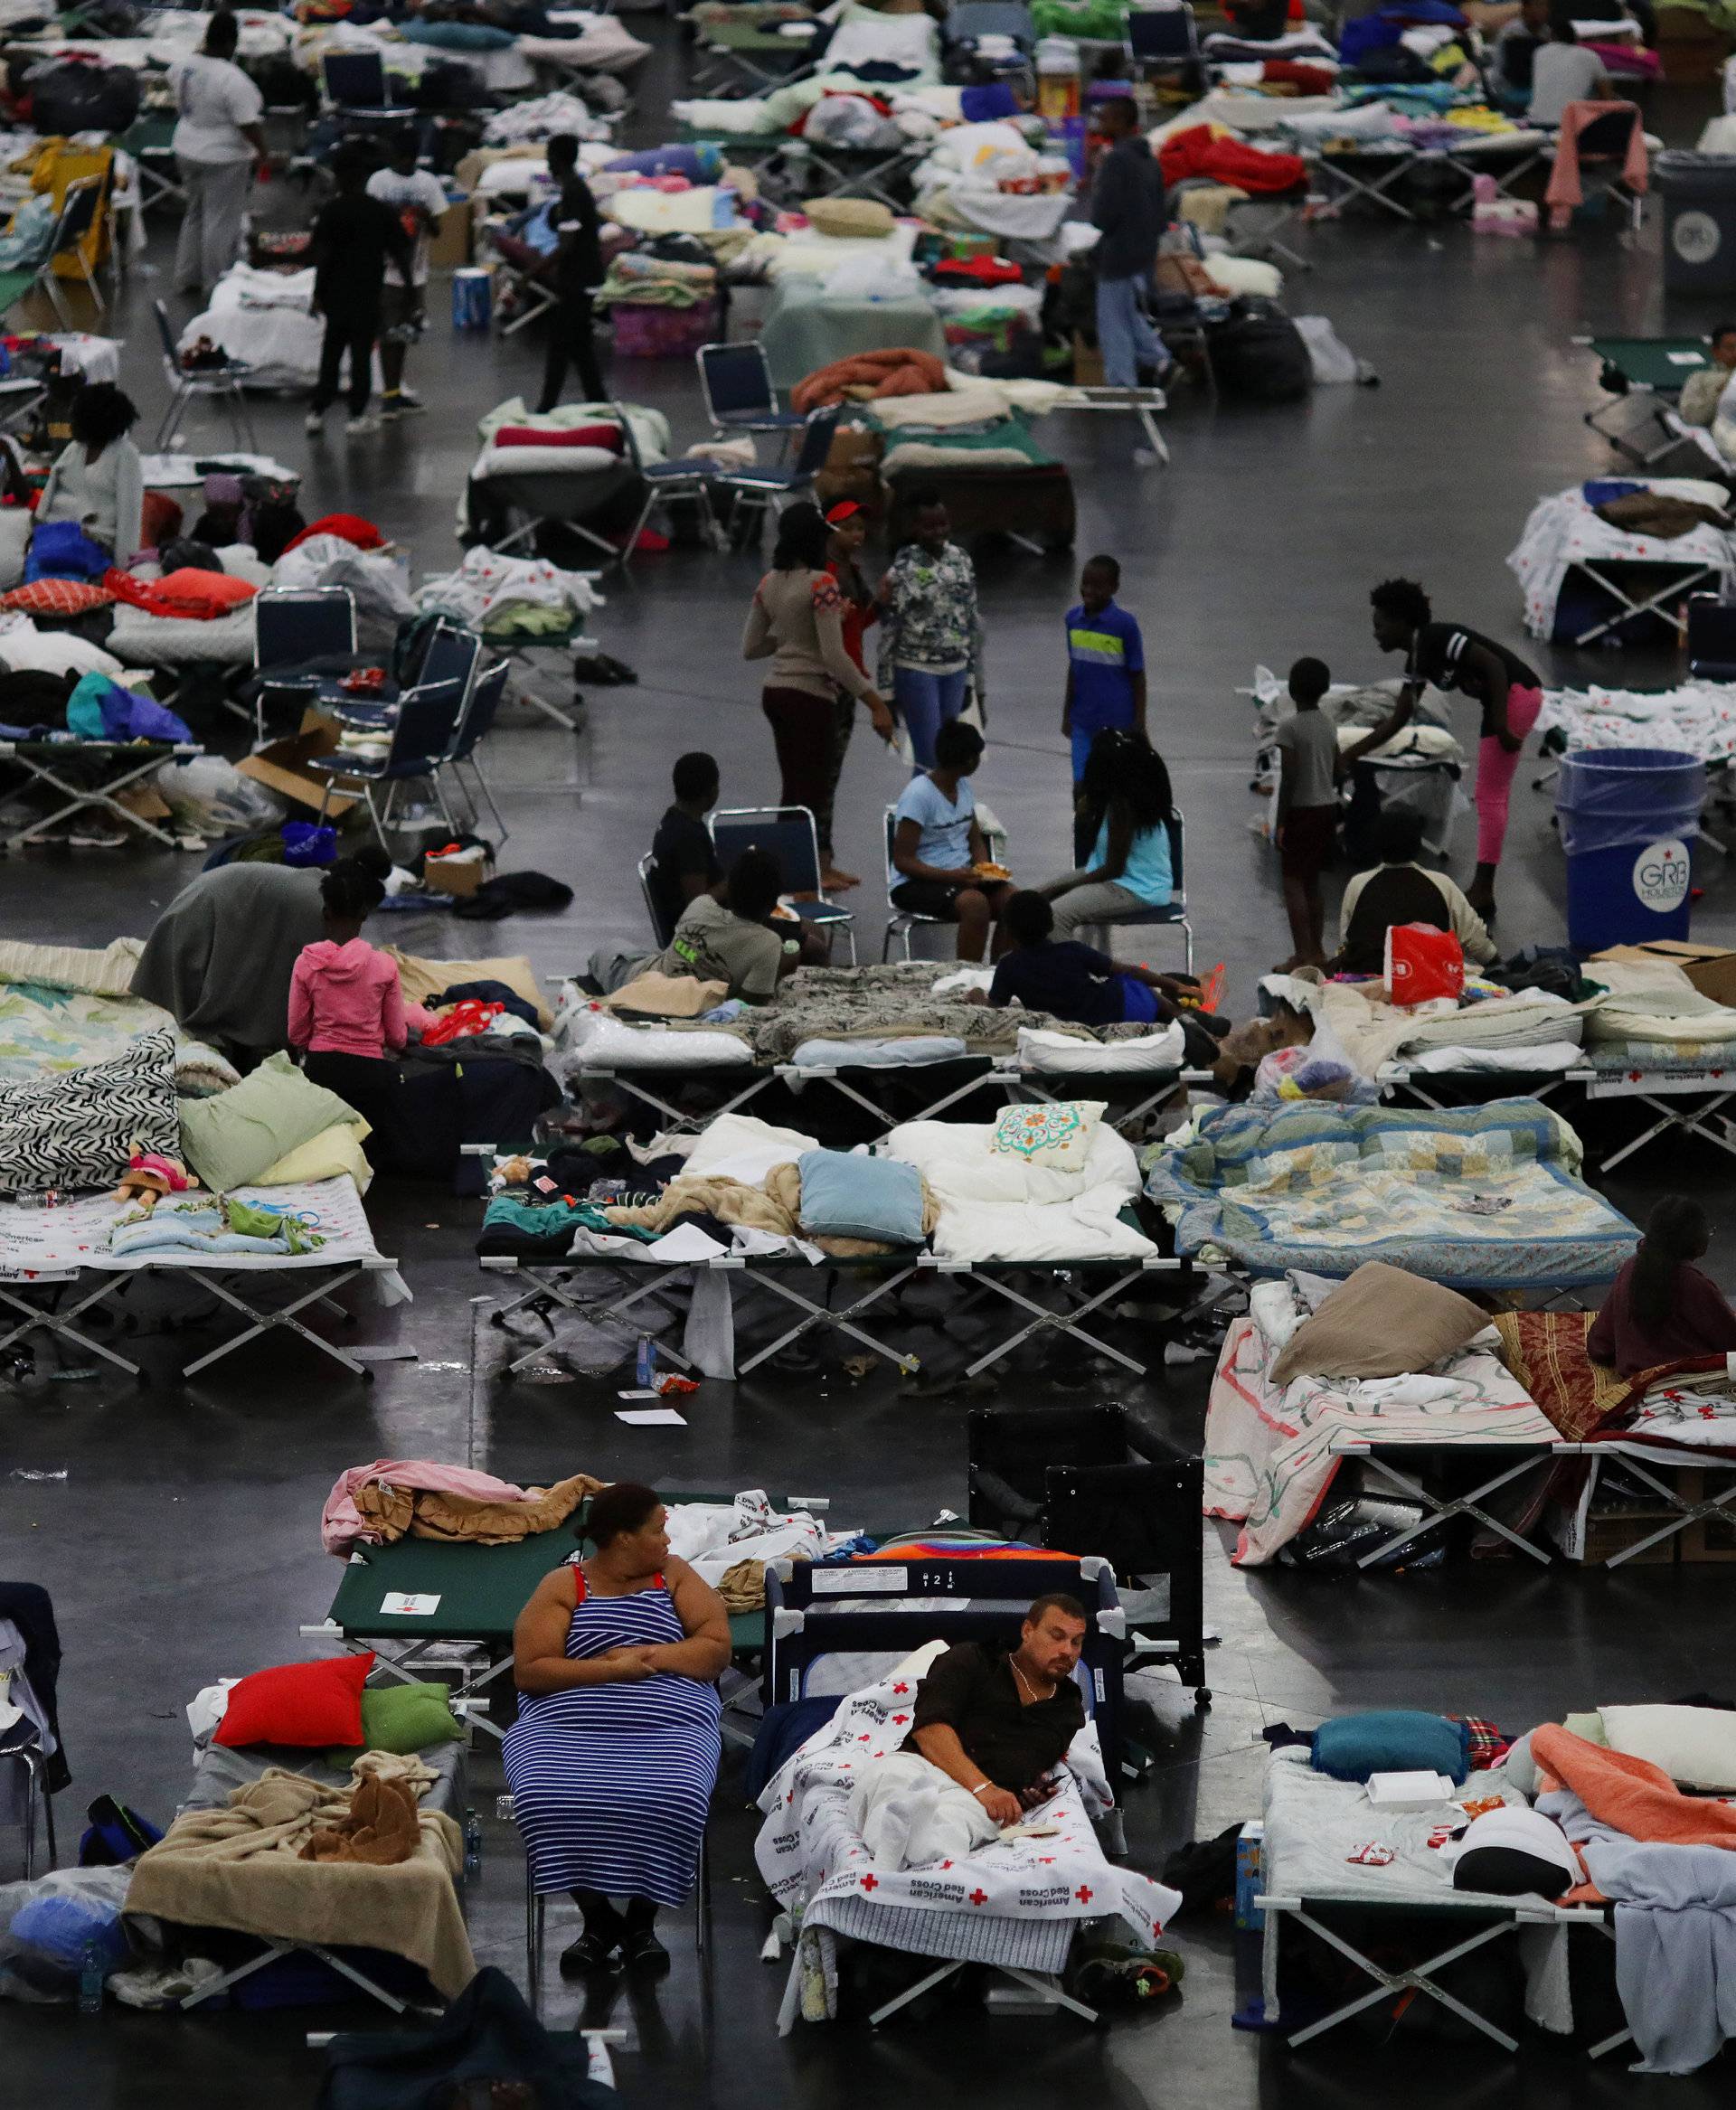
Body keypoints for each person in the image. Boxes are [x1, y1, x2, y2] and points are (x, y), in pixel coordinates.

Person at [505, 1481, 728, 1974]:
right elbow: (532, 1670)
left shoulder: (675, 1576)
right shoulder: (563, 1585)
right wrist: (610, 1671)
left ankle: (642, 1922)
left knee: (678, 1794)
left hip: (670, 1721)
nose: (668, 1542)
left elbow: (714, 1650)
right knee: (544, 1794)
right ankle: (600, 1918)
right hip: (567, 1724)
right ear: (623, 1538)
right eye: (658, 1531)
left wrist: (648, 1656)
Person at [1346, 578, 1543, 921]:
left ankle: (1483, 888)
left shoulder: (1438, 638)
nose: (1375, 633)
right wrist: (1351, 754)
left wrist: (1502, 726)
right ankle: (1484, 888)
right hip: (1501, 702)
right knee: (1488, 794)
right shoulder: (1417, 661)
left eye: (1380, 625)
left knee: (1491, 795)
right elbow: (1398, 719)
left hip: (1516, 695)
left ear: (1402, 622)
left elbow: (1494, 666)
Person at [848, 1596, 1088, 1867]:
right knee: (890, 1782)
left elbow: (1025, 1764)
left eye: (1076, 1642)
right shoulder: (972, 1659)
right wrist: (982, 1787)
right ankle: (895, 1843)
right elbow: (930, 1729)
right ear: (1027, 1631)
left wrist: (1026, 1796)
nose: (1067, 1651)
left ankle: (895, 1856)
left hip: (981, 1800)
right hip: (922, 1765)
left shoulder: (1068, 1710)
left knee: (949, 1831)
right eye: (1057, 1636)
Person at [742, 502, 892, 879]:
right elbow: (834, 657)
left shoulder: (768, 583)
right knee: (813, 791)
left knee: (793, 787)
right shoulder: (823, 584)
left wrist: (790, 638)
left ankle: (790, 871)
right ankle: (806, 876)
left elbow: (751, 648)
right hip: (810, 697)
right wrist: (875, 702)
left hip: (774, 693)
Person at [131, 851, 391, 1059]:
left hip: (220, 901)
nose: (359, 929)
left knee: (255, 970)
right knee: (233, 986)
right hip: (204, 913)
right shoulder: (317, 910)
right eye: (361, 918)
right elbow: (297, 983)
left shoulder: (328, 894)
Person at [988, 890, 1224, 1061]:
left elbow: (994, 1009)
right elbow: (1128, 971)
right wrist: (1175, 985)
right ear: (1051, 924)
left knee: (1131, 986)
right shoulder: (1073, 950)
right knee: (1130, 983)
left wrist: (977, 996)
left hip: (1084, 1023)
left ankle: (1183, 1017)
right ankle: (1184, 1018)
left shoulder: (1008, 967)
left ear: (1009, 930)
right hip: (1122, 1008)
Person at [590, 849, 797, 1003]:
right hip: (679, 997)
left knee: (611, 949)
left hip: (643, 984)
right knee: (649, 954)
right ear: (773, 904)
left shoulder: (701, 906)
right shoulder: (768, 944)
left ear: (731, 890)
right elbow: (746, 1004)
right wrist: (780, 970)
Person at [305, 146, 415, 438]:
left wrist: (317, 293)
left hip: (335, 295)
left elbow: (322, 256)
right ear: (364, 177)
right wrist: (410, 292)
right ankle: (355, 416)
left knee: (331, 353)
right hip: (367, 294)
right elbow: (401, 252)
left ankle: (316, 412)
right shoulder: (380, 212)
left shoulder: (331, 211)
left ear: (338, 178)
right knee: (360, 356)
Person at [878, 492, 984, 771]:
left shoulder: (961, 560)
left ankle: (928, 814)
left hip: (956, 670)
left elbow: (971, 621)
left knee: (948, 760)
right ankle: (918, 814)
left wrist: (971, 678)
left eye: (944, 524)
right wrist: (887, 693)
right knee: (930, 760)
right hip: (916, 670)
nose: (939, 532)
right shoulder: (903, 569)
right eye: (930, 526)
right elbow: (889, 631)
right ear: (914, 528)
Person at [892, 719, 1013, 963]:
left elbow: (975, 839)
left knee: (1015, 901)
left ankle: (999, 972)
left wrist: (984, 870)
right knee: (975, 905)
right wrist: (953, 877)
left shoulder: (964, 787)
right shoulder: (918, 796)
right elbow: (903, 861)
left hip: (961, 877)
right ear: (968, 760)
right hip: (918, 883)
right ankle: (967, 975)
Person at [1040, 728, 1174, 939]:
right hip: (1113, 876)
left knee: (1054, 917)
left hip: (1137, 888)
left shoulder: (1124, 807)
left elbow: (1113, 870)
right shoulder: (1116, 798)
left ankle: (1068, 970)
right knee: (1029, 903)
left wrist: (1062, 888)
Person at [170, 8, 264, 299]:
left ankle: (188, 276)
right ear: (231, 43)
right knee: (221, 220)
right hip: (223, 157)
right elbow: (248, 122)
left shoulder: (182, 66)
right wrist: (264, 151)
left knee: (195, 213)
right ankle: (217, 283)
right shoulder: (232, 79)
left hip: (186, 147)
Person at [287, 860, 415, 1073]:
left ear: (325, 912)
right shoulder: (385, 965)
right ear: (364, 914)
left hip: (321, 1070)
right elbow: (397, 1038)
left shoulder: (306, 963)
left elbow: (297, 1033)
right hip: (370, 1072)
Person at [1334, 809, 1496, 974]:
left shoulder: (1358, 884)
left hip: (1369, 981)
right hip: (1426, 981)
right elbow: (1475, 938)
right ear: (1418, 845)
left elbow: (1347, 939)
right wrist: (1495, 961)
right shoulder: (1441, 884)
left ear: (1376, 844)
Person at [1588, 1196, 1736, 1376]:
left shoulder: (1631, 1266)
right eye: (1707, 1231)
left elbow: (1601, 1341)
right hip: (1678, 1377)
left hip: (1633, 1375)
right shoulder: (1693, 1283)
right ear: (1694, 1241)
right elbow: (1730, 1341)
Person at [365, 129, 449, 420]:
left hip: (417, 272)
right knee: (388, 334)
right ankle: (389, 397)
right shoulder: (378, 182)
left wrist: (426, 218)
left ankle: (396, 392)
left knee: (405, 334)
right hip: (386, 274)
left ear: (411, 157)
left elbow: (438, 230)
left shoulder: (428, 184)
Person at [1090, 97, 1168, 394]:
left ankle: (1122, 386)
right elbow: (1161, 210)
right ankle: (1159, 360)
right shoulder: (1148, 158)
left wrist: (1099, 174)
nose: (1102, 124)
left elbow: (1102, 216)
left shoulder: (1116, 161)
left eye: (1107, 118)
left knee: (1113, 322)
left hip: (1119, 253)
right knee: (1128, 313)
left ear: (1122, 122)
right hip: (1145, 251)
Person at [821, 498, 881, 890]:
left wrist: (883, 602)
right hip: (833, 683)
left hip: (850, 679)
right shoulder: (825, 577)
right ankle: (818, 863)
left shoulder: (851, 572)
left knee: (832, 775)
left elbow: (858, 622)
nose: (857, 536)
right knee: (823, 775)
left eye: (860, 528)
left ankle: (825, 860)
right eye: (849, 528)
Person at [1274, 656, 1341, 972]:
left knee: (1292, 882)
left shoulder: (1289, 727)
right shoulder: (1328, 722)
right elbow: (1338, 765)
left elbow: (1289, 777)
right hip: (1327, 808)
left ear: (1291, 688)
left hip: (1302, 810)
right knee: (1312, 881)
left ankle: (1301, 953)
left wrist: (1281, 822)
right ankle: (1317, 951)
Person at [536, 133, 606, 415]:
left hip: (578, 282)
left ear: (557, 160)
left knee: (559, 348)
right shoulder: (576, 189)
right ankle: (599, 405)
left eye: (549, 158)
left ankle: (544, 410)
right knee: (580, 348)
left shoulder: (572, 193)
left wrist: (532, 272)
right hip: (584, 279)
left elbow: (566, 246)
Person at [35, 382, 143, 565]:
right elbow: (48, 496)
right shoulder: (74, 449)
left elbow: (129, 518)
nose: (71, 423)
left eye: (76, 418)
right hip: (56, 536)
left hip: (96, 544)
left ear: (92, 420)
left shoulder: (126, 455)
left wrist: (122, 569)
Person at [647, 750, 723, 943]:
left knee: (799, 928)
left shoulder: (671, 821)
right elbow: (698, 905)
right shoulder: (688, 839)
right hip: (699, 942)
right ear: (712, 792)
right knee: (805, 941)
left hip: (695, 933)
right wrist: (735, 883)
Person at [1527, 15, 1613, 125]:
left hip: (1536, 123)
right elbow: (1607, 98)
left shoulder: (1539, 53)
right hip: (1569, 126)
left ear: (1552, 37)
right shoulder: (1591, 56)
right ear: (1576, 39)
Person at [1487, 0, 1551, 105]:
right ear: (1526, 8)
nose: (1544, 10)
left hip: (1540, 92)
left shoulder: (1547, 34)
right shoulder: (1510, 33)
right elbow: (1498, 67)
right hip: (1511, 92)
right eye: (1539, 5)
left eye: (1546, 6)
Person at [1678, 323, 1736, 429]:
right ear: (1715, 352)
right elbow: (1692, 417)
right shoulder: (1699, 379)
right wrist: (1718, 394)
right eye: (1730, 348)